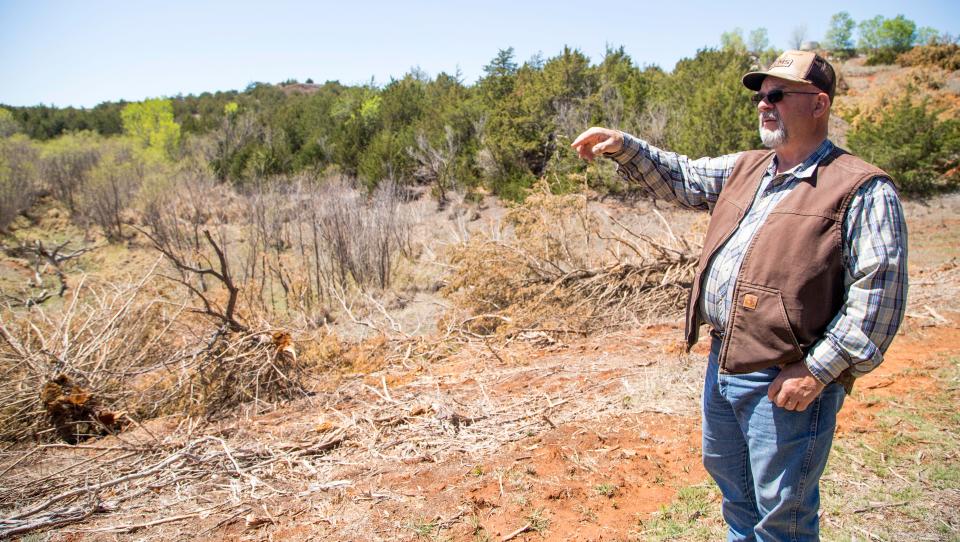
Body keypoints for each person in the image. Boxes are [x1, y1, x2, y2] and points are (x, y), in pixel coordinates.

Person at [571, 50, 908, 541]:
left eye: (776, 95)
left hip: (786, 376)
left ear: (818, 104)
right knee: (739, 502)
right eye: (759, 95)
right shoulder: (748, 168)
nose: (762, 105)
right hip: (724, 361)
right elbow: (682, 176)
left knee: (782, 517)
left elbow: (879, 295)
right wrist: (625, 146)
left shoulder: (861, 187)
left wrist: (816, 371)